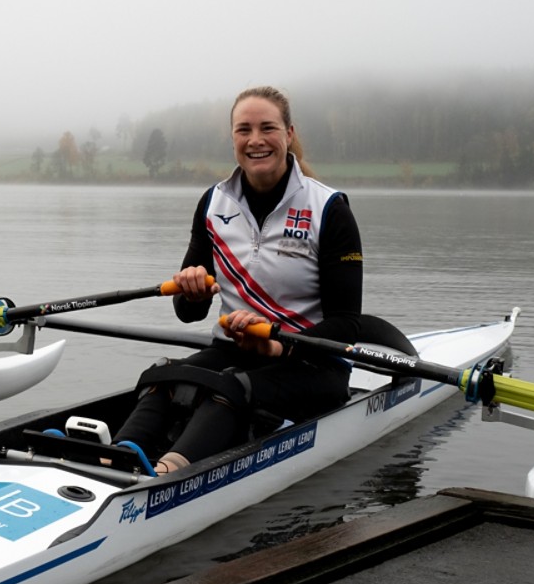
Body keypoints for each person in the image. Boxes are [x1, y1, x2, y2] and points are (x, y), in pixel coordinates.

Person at [113, 86, 363, 475]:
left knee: (230, 390)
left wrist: (278, 346)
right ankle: (115, 459)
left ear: (289, 134)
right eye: (244, 130)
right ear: (233, 139)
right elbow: (187, 313)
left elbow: (347, 325)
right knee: (164, 376)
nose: (256, 140)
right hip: (235, 348)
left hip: (313, 364)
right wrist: (193, 290)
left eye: (268, 128)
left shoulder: (328, 209)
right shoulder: (214, 203)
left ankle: (162, 480)